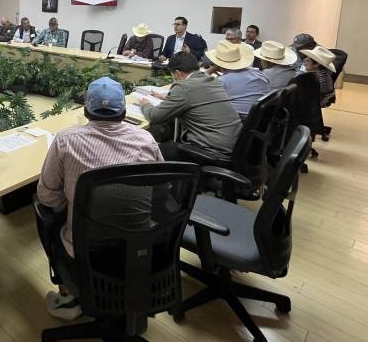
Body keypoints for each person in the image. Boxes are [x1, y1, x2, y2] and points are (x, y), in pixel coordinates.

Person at [36, 77, 163, 320]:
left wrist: (73, 204)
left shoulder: (65, 140)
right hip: (141, 251)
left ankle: (68, 295)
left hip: (85, 252)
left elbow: (47, 196)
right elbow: (161, 193)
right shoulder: (147, 140)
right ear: (124, 111)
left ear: (85, 109)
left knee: (41, 212)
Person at [140, 51, 242, 161]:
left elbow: (155, 116)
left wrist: (146, 105)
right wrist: (168, 98)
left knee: (151, 151)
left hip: (213, 152)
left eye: (173, 75)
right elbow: (197, 98)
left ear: (178, 74)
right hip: (235, 147)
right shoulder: (212, 80)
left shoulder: (183, 87)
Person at [205, 40, 270, 119]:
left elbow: (199, 87)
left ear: (219, 64)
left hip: (238, 121)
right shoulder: (258, 72)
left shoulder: (222, 81)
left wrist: (209, 71)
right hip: (261, 119)